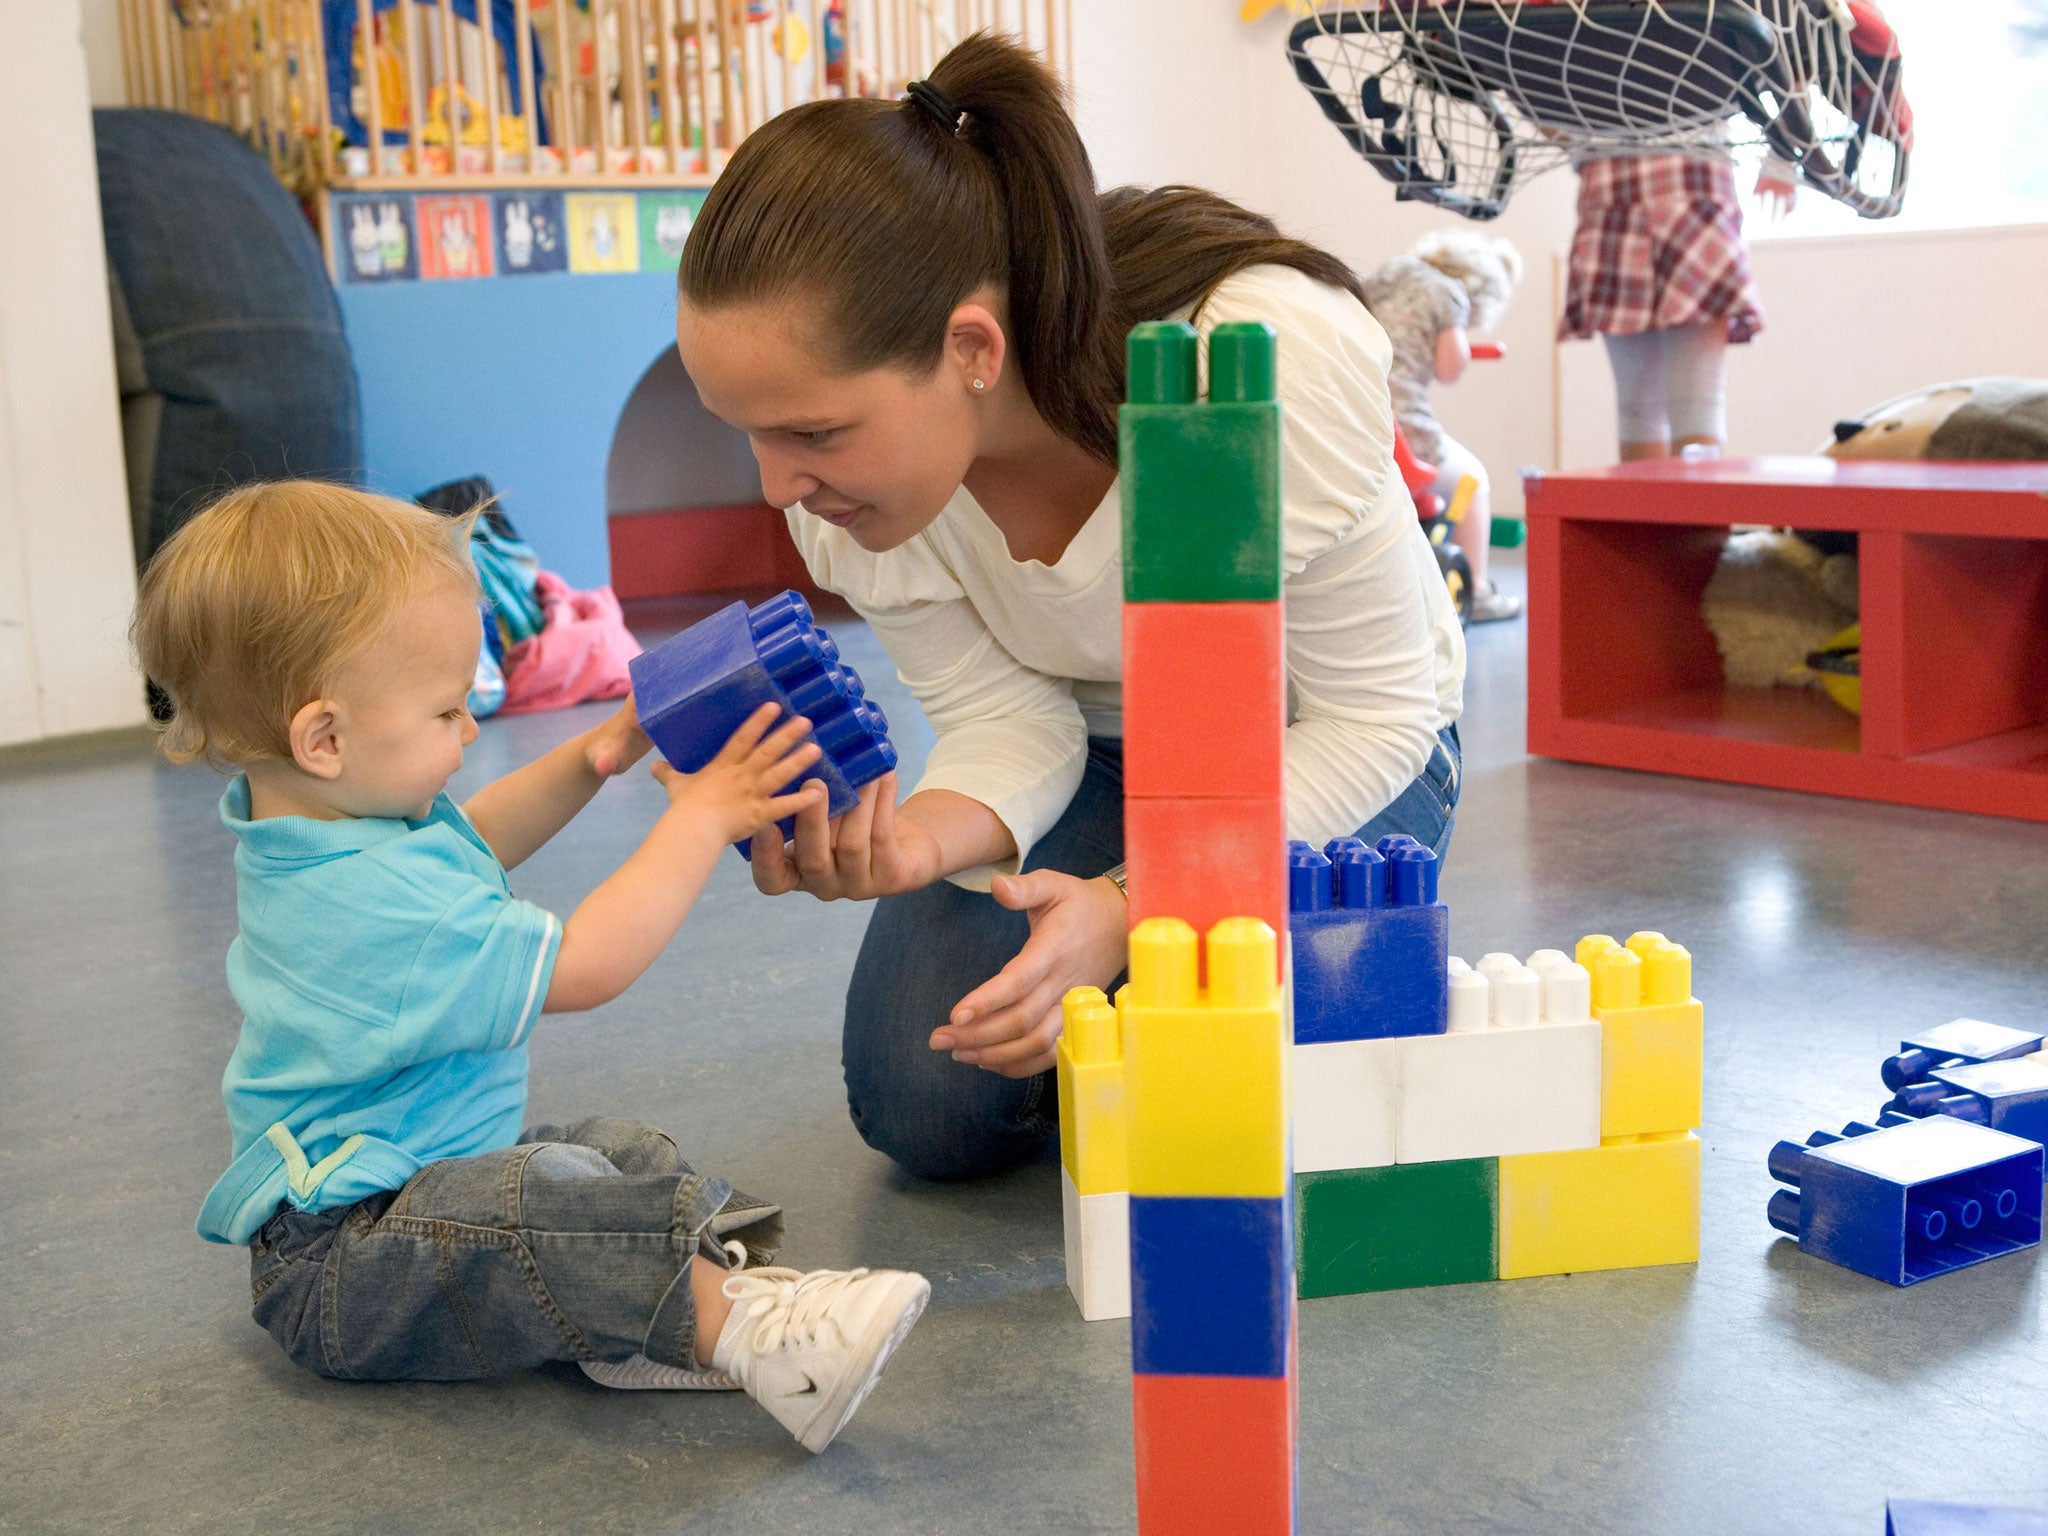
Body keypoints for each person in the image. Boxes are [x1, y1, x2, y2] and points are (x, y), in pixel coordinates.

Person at [670, 34, 1467, 1182]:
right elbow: (1014, 722)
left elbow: (1375, 719)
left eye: (811, 431)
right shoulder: (851, 496)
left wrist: (1133, 903)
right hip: (1104, 756)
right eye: (746, 431)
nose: (776, 486)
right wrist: (909, 845)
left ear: (971, 350)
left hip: (1321, 744)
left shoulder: (1258, 358)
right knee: (924, 1099)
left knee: (1253, 1098)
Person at [130, 482, 928, 1454]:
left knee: (610, 1152)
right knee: (540, 1204)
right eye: (447, 710)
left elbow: (476, 838)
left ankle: (651, 1308)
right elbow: (589, 966)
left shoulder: (324, 823)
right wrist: (699, 816)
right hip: (341, 1267)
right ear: (324, 737)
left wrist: (597, 752)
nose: (470, 730)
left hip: (412, 1197)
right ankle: (753, 1337)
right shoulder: (370, 911)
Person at [1561, 145, 1769, 461]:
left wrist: (1782, 156)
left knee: (1697, 400)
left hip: (1695, 190)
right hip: (1611, 193)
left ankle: (1695, 510)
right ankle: (1646, 510)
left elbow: (1785, 93)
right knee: (1637, 406)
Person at [1361, 229, 1525, 621]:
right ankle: (1480, 590)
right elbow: (1451, 368)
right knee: (1472, 479)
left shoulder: (1386, 277)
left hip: (1358, 409)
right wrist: (1461, 347)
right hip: (1401, 425)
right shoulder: (1450, 295)